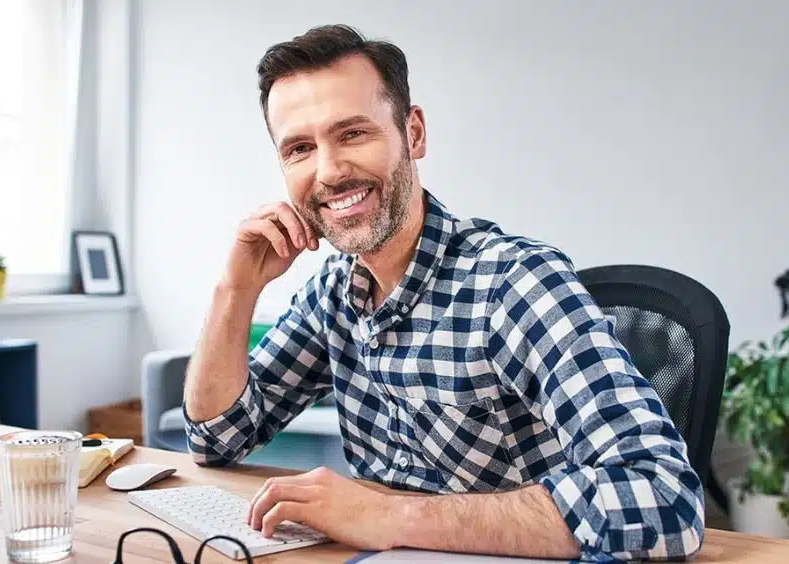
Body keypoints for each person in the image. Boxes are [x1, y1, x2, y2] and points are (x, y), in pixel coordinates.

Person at [183, 24, 705, 562]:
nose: (329, 171)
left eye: (353, 133)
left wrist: (388, 517)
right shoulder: (335, 292)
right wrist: (235, 289)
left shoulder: (513, 283)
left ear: (413, 134)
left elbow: (664, 501)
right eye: (299, 148)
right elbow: (215, 438)